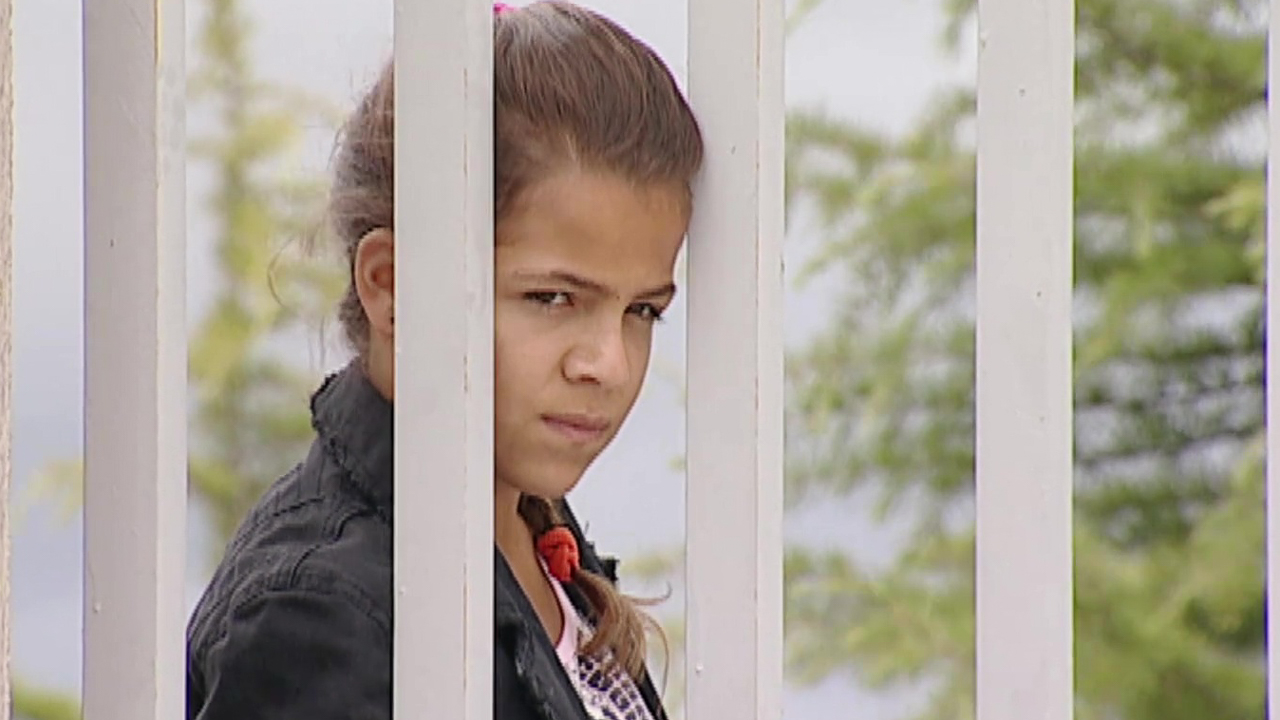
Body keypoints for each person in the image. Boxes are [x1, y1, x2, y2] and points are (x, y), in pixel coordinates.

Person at [184, 2, 703, 719]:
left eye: (642, 310)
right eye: (553, 298)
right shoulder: (319, 616)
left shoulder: (525, 527)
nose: (608, 364)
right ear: (392, 286)